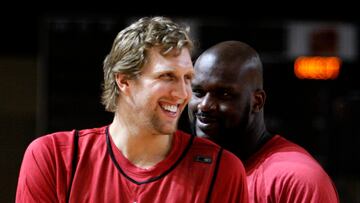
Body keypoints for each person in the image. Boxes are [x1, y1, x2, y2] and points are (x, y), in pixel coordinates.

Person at [16, 17, 249, 202]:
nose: (182, 93)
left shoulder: (221, 170)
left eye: (187, 78)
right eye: (167, 76)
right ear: (124, 81)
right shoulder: (54, 158)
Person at [188, 40, 339, 203]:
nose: (204, 105)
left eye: (224, 94)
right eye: (198, 92)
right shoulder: (191, 174)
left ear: (257, 101)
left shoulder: (298, 179)